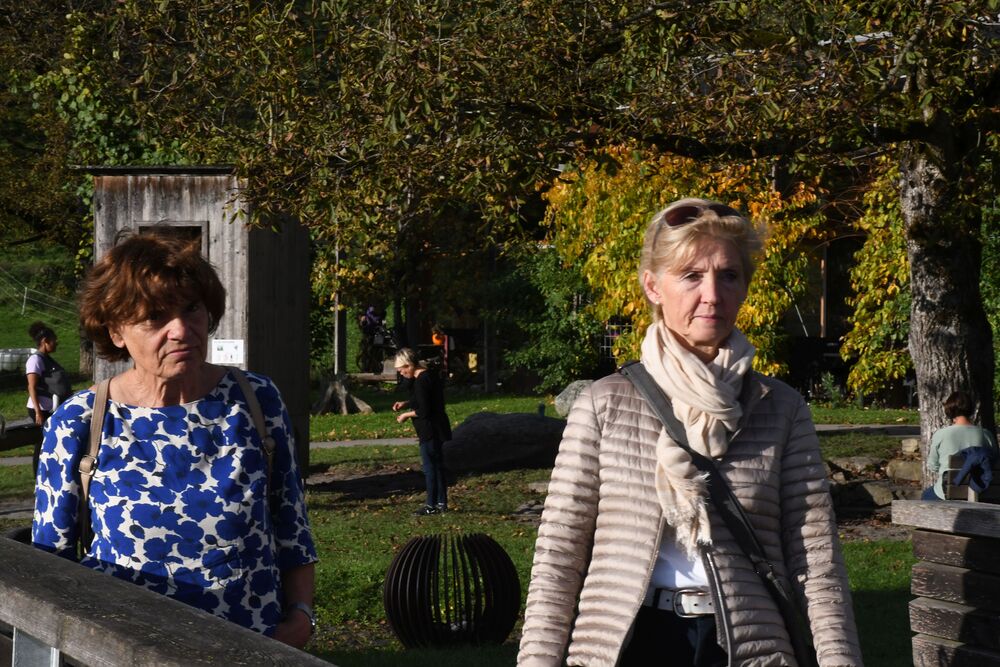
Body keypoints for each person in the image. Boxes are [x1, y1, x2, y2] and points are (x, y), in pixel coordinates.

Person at [517, 199, 862, 667]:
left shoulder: (780, 408)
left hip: (747, 647)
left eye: (729, 275)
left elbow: (816, 558)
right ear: (653, 286)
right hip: (630, 644)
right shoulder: (605, 403)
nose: (713, 295)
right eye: (691, 276)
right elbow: (559, 553)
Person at [31, 234, 318, 648]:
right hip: (128, 650)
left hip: (252, 648)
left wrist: (301, 616)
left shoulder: (255, 400)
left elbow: (291, 527)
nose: (181, 330)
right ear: (116, 331)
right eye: (155, 317)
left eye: (191, 308)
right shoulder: (79, 422)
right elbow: (50, 566)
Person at [392, 347, 451, 515]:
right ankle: (441, 502)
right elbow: (423, 399)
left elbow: (424, 410)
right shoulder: (428, 376)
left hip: (429, 429)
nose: (401, 373)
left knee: (430, 468)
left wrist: (405, 415)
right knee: (437, 466)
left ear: (409, 365)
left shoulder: (421, 381)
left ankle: (430, 505)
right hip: (438, 426)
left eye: (401, 370)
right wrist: (406, 403)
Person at [923, 391, 998, 500]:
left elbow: (932, 465)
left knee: (926, 495)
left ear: (949, 410)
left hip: (948, 492)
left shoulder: (941, 434)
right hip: (981, 492)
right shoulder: (986, 434)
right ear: (971, 409)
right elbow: (995, 462)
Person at [25, 321, 72, 474]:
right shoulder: (35, 360)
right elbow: (31, 387)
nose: (56, 342)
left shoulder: (47, 359)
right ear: (45, 341)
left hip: (50, 408)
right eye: (53, 339)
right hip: (40, 410)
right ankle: (37, 474)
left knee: (50, 441)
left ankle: (48, 471)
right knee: (41, 442)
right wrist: (38, 412)